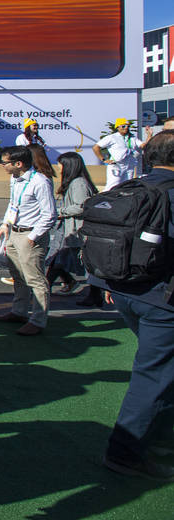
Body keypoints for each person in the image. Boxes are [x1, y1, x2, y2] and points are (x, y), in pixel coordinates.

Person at [90, 130, 174, 480]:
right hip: (162, 299)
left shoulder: (134, 188)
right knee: (154, 375)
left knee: (161, 371)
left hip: (125, 291)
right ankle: (126, 453)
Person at [0, 145, 58, 335]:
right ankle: (19, 312)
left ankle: (38, 320)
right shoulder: (15, 178)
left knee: (35, 279)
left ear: (18, 163)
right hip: (14, 232)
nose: (2, 166)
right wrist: (5, 224)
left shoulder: (40, 182)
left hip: (30, 235)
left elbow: (49, 214)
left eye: (5, 163)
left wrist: (33, 237)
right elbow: (14, 203)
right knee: (18, 276)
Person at [45, 151, 102, 306]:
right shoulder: (77, 182)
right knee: (60, 259)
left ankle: (46, 288)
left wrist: (60, 212)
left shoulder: (78, 184)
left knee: (64, 259)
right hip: (72, 229)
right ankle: (90, 292)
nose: (58, 167)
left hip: (77, 229)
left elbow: (81, 207)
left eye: (61, 164)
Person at [94, 118, 144, 191]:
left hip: (129, 165)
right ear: (117, 127)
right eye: (123, 126)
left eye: (127, 126)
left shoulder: (132, 138)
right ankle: (103, 200)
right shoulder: (112, 137)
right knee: (112, 186)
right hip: (116, 165)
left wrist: (149, 135)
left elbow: (143, 146)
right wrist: (104, 159)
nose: (126, 128)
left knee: (126, 186)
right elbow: (96, 147)